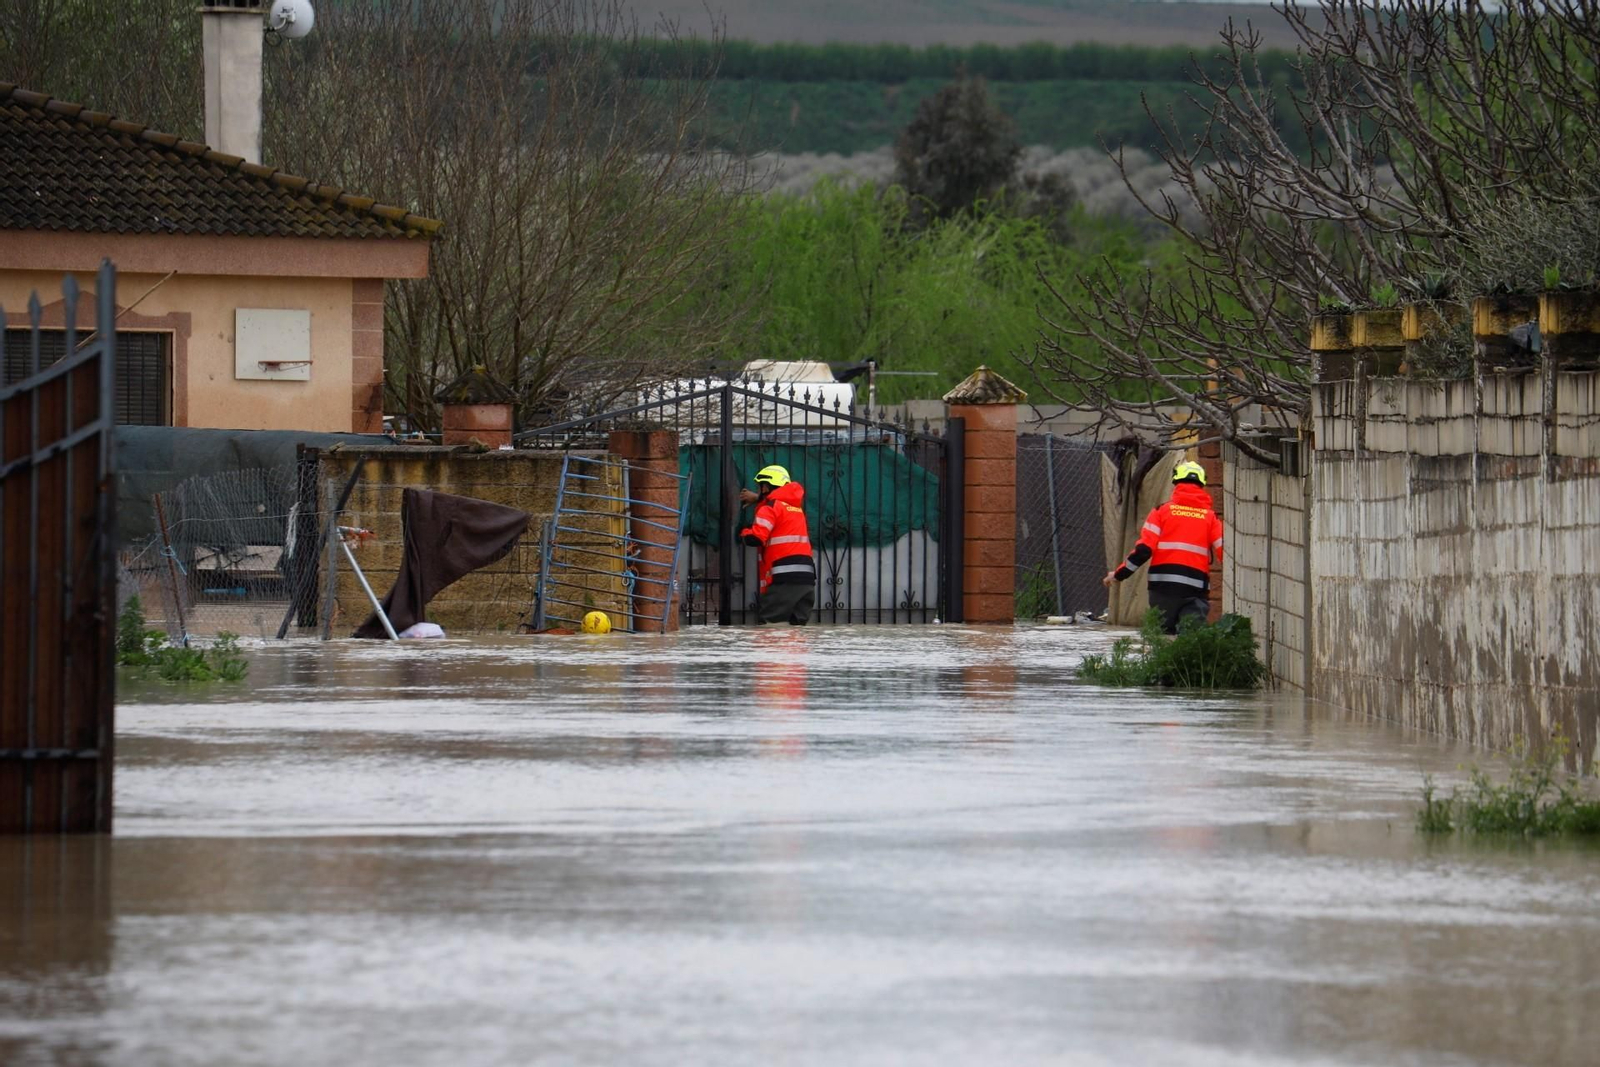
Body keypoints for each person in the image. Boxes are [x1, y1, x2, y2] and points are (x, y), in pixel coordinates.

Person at [1103, 459, 1223, 635]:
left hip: (1162, 589)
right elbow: (1227, 555)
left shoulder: (1161, 512)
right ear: (1201, 485)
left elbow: (1143, 550)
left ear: (1176, 483)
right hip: (1194, 590)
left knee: (1160, 642)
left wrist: (1119, 574)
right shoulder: (1210, 517)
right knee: (1192, 641)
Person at [738, 464, 816, 625]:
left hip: (783, 577)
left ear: (766, 486)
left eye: (760, 488)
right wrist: (758, 499)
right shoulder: (796, 508)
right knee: (797, 628)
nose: (758, 491)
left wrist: (744, 533)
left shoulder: (770, 508)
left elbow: (757, 538)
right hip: (806, 578)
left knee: (770, 626)